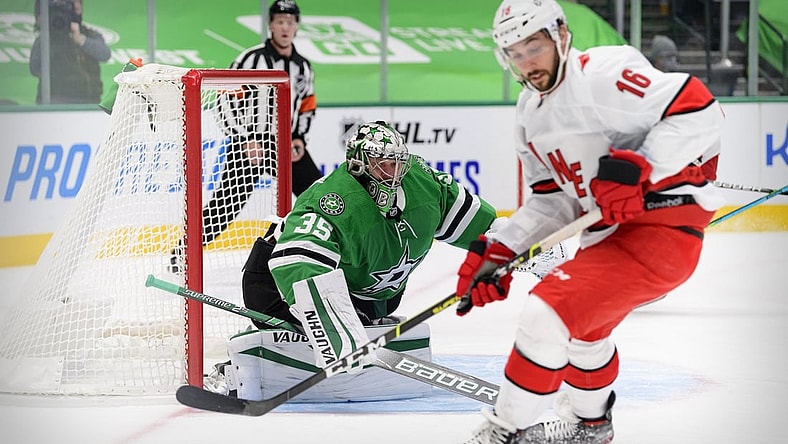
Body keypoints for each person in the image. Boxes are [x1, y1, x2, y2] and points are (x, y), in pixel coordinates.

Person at [455, 1, 724, 443]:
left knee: (546, 313)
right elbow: (552, 201)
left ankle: (504, 430)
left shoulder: (605, 73)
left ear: (560, 35)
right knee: (584, 331)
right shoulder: (528, 114)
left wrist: (644, 167)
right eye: (514, 53)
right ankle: (591, 424)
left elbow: (700, 109)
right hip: (607, 237)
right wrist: (502, 249)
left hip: (661, 229)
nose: (526, 62)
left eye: (533, 46)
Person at [210, 120, 550, 401]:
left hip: (365, 293)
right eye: (383, 164)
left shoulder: (422, 184)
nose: (395, 172)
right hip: (275, 283)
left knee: (356, 324)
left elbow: (480, 224)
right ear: (359, 164)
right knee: (311, 331)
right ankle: (239, 365)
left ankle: (347, 324)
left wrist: (524, 245)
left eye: (399, 162)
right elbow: (296, 259)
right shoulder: (334, 200)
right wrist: (333, 330)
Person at [170, 0, 322, 272]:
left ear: (297, 26)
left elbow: (307, 103)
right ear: (270, 25)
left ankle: (328, 252)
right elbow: (224, 100)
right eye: (279, 22)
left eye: (290, 22)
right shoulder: (251, 58)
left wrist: (299, 137)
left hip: (286, 144)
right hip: (249, 143)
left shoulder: (303, 66)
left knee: (318, 193)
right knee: (225, 207)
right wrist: (244, 139)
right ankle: (183, 252)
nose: (285, 27)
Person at [29, 0, 111, 104]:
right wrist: (50, 39)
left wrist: (80, 40)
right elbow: (34, 68)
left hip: (89, 101)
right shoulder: (45, 39)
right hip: (55, 101)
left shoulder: (89, 34)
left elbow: (105, 54)